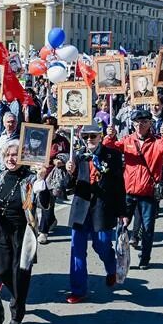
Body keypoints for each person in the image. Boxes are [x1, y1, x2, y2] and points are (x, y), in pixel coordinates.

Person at [0, 140, 48, 324]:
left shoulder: (30, 179)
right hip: (1, 229)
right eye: (8, 155)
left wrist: (41, 180)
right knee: (1, 271)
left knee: (20, 273)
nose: (11, 158)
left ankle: (17, 312)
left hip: (22, 232)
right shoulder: (0, 177)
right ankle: (18, 296)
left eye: (15, 155)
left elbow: (44, 203)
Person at [103, 109, 163, 269]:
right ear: (132, 124)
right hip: (128, 192)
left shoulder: (159, 142)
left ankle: (145, 258)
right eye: (137, 122)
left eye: (144, 122)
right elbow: (107, 148)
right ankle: (120, 256)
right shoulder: (127, 140)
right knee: (122, 227)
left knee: (147, 229)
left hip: (148, 193)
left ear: (150, 123)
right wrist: (109, 135)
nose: (140, 125)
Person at [64, 124, 125, 303]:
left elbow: (119, 185)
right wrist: (70, 172)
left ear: (100, 136)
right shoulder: (77, 156)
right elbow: (68, 186)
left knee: (103, 245)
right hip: (81, 208)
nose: (89, 140)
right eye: (86, 137)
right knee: (77, 250)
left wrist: (123, 212)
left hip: (102, 208)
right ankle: (78, 290)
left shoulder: (112, 155)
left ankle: (111, 268)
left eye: (93, 136)